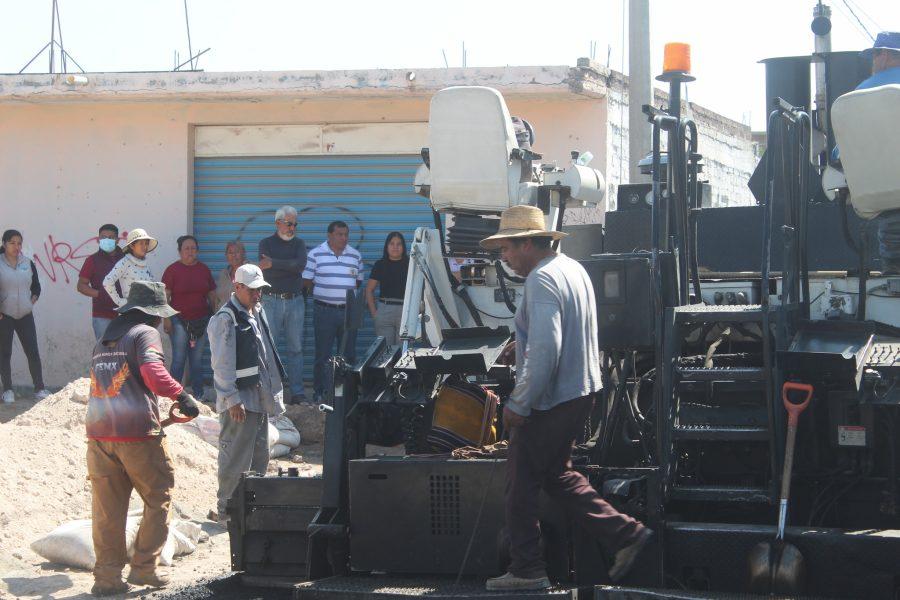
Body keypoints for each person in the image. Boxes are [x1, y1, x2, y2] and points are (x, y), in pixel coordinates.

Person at [479, 206, 652, 591]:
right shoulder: (571, 269)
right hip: (581, 391)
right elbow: (552, 336)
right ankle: (626, 534)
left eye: (506, 248)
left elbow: (546, 349)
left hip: (552, 399)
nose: (503, 257)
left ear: (527, 243)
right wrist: (517, 345)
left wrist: (518, 405)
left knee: (520, 483)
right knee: (557, 475)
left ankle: (527, 570)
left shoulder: (540, 281)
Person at [85, 281, 200, 595]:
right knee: (158, 497)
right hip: (137, 437)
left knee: (108, 511)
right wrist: (182, 394)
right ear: (151, 313)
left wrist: (165, 419)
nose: (162, 322)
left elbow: (113, 394)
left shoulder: (104, 341)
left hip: (99, 437)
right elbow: (153, 374)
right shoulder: (144, 334)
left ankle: (106, 579)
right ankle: (144, 567)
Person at [207, 264, 286, 523]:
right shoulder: (225, 319)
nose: (257, 295)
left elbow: (264, 360)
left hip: (258, 399)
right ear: (237, 287)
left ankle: (252, 510)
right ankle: (228, 511)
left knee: (259, 457)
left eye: (260, 290)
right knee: (236, 459)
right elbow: (222, 365)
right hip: (240, 402)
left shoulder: (256, 312)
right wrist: (232, 400)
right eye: (252, 290)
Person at [302, 220, 364, 402]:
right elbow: (306, 282)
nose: (344, 238)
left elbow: (357, 283)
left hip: (348, 313)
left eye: (346, 234)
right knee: (323, 355)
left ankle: (347, 394)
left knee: (349, 355)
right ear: (329, 236)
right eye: (339, 234)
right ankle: (320, 393)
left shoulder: (355, 256)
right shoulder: (315, 255)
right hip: (324, 312)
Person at [258, 206, 307, 404]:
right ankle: (272, 392)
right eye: (288, 223)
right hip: (271, 301)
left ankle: (297, 393)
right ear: (277, 223)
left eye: (294, 224)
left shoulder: (299, 244)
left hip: (295, 301)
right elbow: (266, 270)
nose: (292, 227)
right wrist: (288, 265)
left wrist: (275, 263)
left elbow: (300, 265)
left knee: (296, 348)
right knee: (269, 348)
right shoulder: (266, 243)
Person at [162, 235, 217, 399]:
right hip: (178, 321)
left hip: (201, 320)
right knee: (179, 358)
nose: (190, 251)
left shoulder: (204, 269)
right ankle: (173, 395)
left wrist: (214, 317)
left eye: (193, 248)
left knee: (197, 360)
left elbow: (212, 294)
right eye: (186, 248)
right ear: (179, 251)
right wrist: (166, 320)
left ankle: (198, 394)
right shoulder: (172, 270)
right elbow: (165, 297)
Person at [0, 229, 48, 404]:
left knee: (33, 352)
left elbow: (36, 287)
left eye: (19, 243)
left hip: (25, 315)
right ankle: (7, 390)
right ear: (4, 243)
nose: (16, 246)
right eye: (12, 243)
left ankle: (40, 388)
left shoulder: (27, 263)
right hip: (5, 316)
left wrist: (30, 302)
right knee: (4, 353)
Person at [78, 224, 125, 340]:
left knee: (125, 352)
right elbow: (81, 285)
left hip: (126, 314)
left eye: (111, 237)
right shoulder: (92, 260)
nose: (107, 240)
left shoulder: (127, 259)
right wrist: (101, 294)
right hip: (102, 316)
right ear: (98, 240)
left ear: (117, 240)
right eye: (103, 237)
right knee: (105, 353)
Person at [365, 232, 409, 346]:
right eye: (392, 244)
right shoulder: (380, 265)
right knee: (385, 352)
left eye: (399, 244)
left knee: (402, 352)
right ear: (387, 246)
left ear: (403, 247)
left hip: (405, 311)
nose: (395, 247)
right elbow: (369, 290)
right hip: (384, 311)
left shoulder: (411, 264)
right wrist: (375, 314)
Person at [103, 228, 158, 308]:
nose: (144, 246)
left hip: (146, 314)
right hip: (130, 314)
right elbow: (107, 281)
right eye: (141, 243)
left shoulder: (146, 266)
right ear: (132, 246)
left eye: (146, 243)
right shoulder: (125, 262)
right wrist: (120, 302)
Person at [214, 241, 247, 310]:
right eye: (230, 253)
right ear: (226, 255)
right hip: (223, 316)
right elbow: (218, 297)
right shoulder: (224, 273)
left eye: (237, 252)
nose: (233, 255)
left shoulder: (249, 271)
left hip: (241, 317)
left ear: (243, 254)